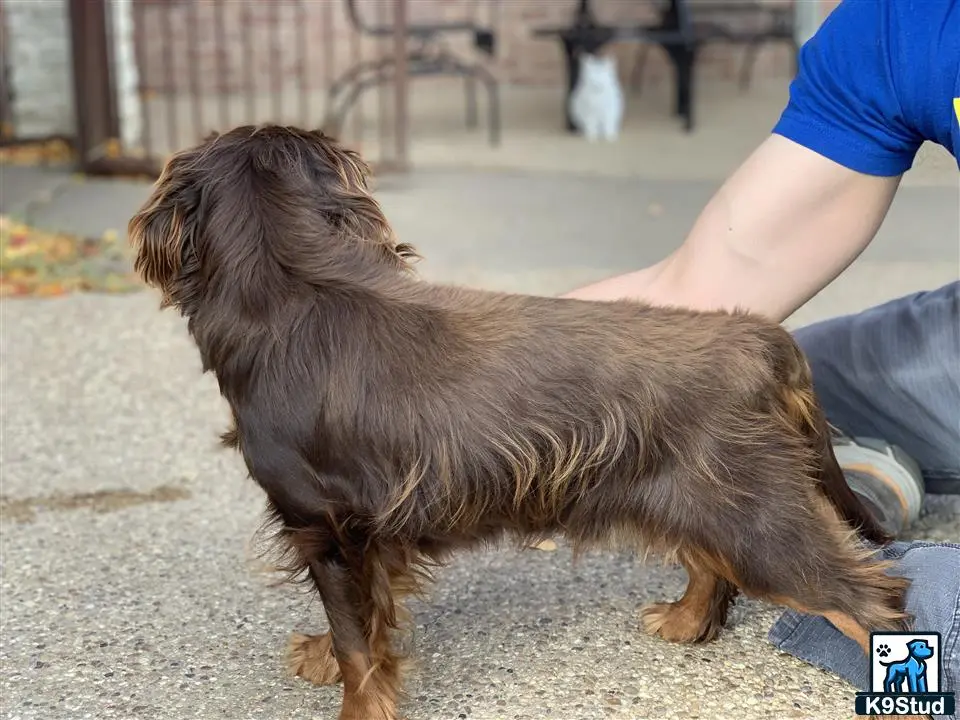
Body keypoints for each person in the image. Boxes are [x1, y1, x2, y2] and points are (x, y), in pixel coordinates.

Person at [563, 0, 959, 710]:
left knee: (922, 624)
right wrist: (445, 390)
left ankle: (912, 656)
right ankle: (851, 478)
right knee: (752, 389)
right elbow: (703, 296)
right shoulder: (908, 23)